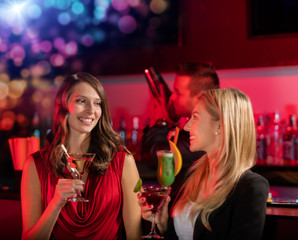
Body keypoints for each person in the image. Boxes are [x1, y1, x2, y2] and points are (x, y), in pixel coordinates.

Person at [21, 72, 142, 240]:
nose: (91, 110)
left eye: (97, 103)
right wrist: (56, 203)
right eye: (81, 101)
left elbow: (135, 235)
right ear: (63, 106)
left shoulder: (123, 160)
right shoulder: (35, 164)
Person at [139, 88, 269, 239]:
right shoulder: (192, 175)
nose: (187, 127)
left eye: (195, 117)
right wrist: (162, 224)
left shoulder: (251, 187)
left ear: (220, 125)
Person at [141, 62, 220, 197]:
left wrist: (162, 122)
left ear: (199, 98)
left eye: (178, 92)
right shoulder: (188, 131)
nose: (172, 97)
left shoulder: (204, 136)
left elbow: (153, 156)